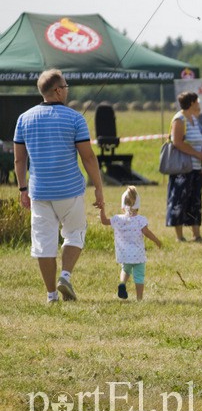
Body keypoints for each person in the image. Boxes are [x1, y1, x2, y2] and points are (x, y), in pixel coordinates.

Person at [13, 69, 105, 304]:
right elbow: (88, 158)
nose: (67, 89)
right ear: (57, 90)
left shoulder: (24, 119)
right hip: (70, 190)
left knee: (43, 243)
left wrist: (22, 189)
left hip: (39, 191)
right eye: (65, 86)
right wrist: (98, 188)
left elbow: (19, 160)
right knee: (75, 233)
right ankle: (65, 276)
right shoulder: (75, 118)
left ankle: (51, 295)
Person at [99, 186, 162, 301]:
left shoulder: (118, 219)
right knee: (139, 276)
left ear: (123, 206)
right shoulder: (141, 220)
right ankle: (139, 299)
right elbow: (146, 232)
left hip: (124, 254)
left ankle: (122, 283)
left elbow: (103, 221)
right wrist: (157, 241)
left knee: (125, 270)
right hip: (138, 255)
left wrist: (102, 208)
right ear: (138, 205)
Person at [166, 91, 202, 242]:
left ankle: (196, 234)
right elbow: (177, 143)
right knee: (179, 200)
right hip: (182, 168)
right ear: (192, 103)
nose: (199, 104)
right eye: (197, 101)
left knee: (195, 200)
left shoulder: (193, 119)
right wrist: (197, 154)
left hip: (196, 167)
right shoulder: (179, 119)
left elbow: (198, 140)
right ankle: (180, 236)